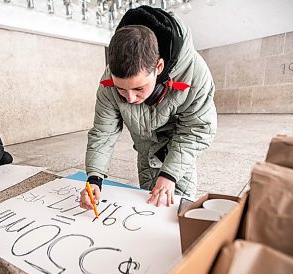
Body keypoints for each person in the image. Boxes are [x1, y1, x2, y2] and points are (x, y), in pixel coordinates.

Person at [80, 6, 217, 210]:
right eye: (120, 89)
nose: (130, 98)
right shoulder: (109, 79)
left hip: (179, 146)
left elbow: (197, 129)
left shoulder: (194, 73)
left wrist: (170, 174)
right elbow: (103, 132)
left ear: (159, 67)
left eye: (138, 88)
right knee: (148, 206)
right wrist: (94, 179)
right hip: (145, 146)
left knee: (177, 207)